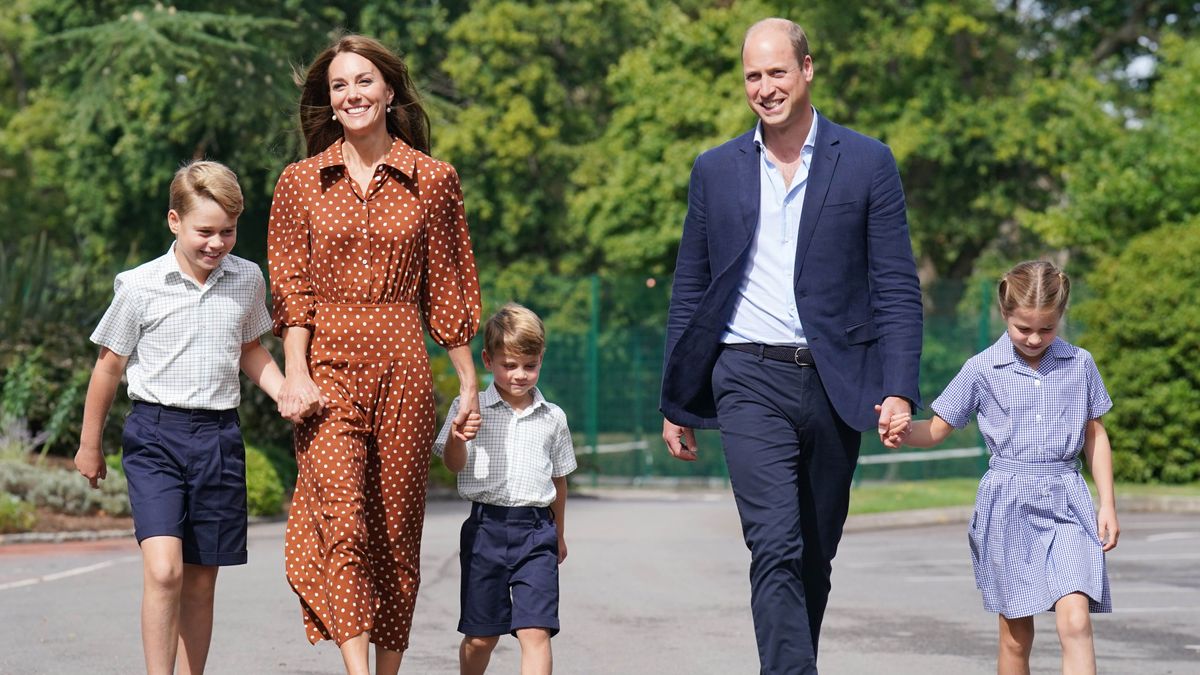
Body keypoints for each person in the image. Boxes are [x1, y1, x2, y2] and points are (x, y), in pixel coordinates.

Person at [659, 17, 924, 674]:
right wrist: (676, 397)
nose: (765, 87)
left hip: (838, 382)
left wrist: (899, 387)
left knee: (812, 554)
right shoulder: (715, 169)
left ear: (807, 70)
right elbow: (690, 286)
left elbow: (895, 283)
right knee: (773, 543)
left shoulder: (866, 161)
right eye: (753, 75)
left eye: (777, 72)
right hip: (746, 373)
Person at [267, 34, 482, 675]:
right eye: (339, 86)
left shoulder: (434, 180)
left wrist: (468, 384)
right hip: (327, 370)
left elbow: (447, 286)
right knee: (344, 519)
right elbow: (292, 292)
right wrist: (296, 376)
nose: (352, 94)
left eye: (364, 82)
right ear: (328, 103)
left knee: (394, 530)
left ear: (389, 92)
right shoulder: (301, 182)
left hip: (403, 368)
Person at [73, 160, 284, 675]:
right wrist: (89, 444)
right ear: (174, 222)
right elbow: (108, 367)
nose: (217, 243)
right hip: (156, 436)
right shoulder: (140, 285)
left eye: (228, 231)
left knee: (200, 579)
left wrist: (285, 391)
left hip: (218, 438)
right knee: (165, 570)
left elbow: (250, 348)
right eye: (204, 232)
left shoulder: (247, 278)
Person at [886, 260, 1117, 674]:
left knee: (1076, 621)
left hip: (1067, 500)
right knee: (1015, 637)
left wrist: (1108, 505)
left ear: (1061, 316)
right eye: (1023, 328)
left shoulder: (1080, 364)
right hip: (1008, 505)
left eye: (1046, 329)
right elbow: (938, 429)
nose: (1034, 338)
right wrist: (901, 431)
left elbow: (1095, 435)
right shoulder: (981, 368)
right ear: (1004, 314)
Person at [434, 303, 575, 675]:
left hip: (536, 533)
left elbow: (559, 480)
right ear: (487, 359)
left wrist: (558, 534)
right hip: (485, 531)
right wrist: (457, 436)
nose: (520, 375)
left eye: (530, 365)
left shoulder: (553, 417)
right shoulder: (469, 407)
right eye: (509, 365)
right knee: (482, 637)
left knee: (535, 631)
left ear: (541, 359)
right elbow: (452, 464)